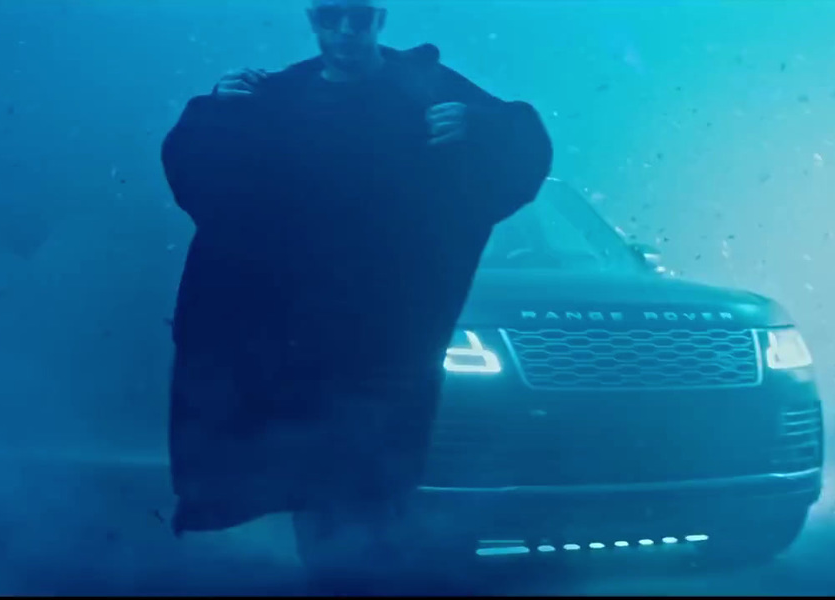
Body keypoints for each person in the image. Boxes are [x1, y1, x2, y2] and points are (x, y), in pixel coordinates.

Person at [159, 0, 552, 590]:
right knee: (310, 470)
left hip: (388, 329)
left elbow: (524, 145)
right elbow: (195, 166)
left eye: (358, 17)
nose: (344, 31)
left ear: (381, 19)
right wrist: (217, 111)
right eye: (329, 16)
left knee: (374, 475)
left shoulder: (424, 86)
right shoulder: (279, 95)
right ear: (312, 20)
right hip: (295, 329)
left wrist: (481, 126)